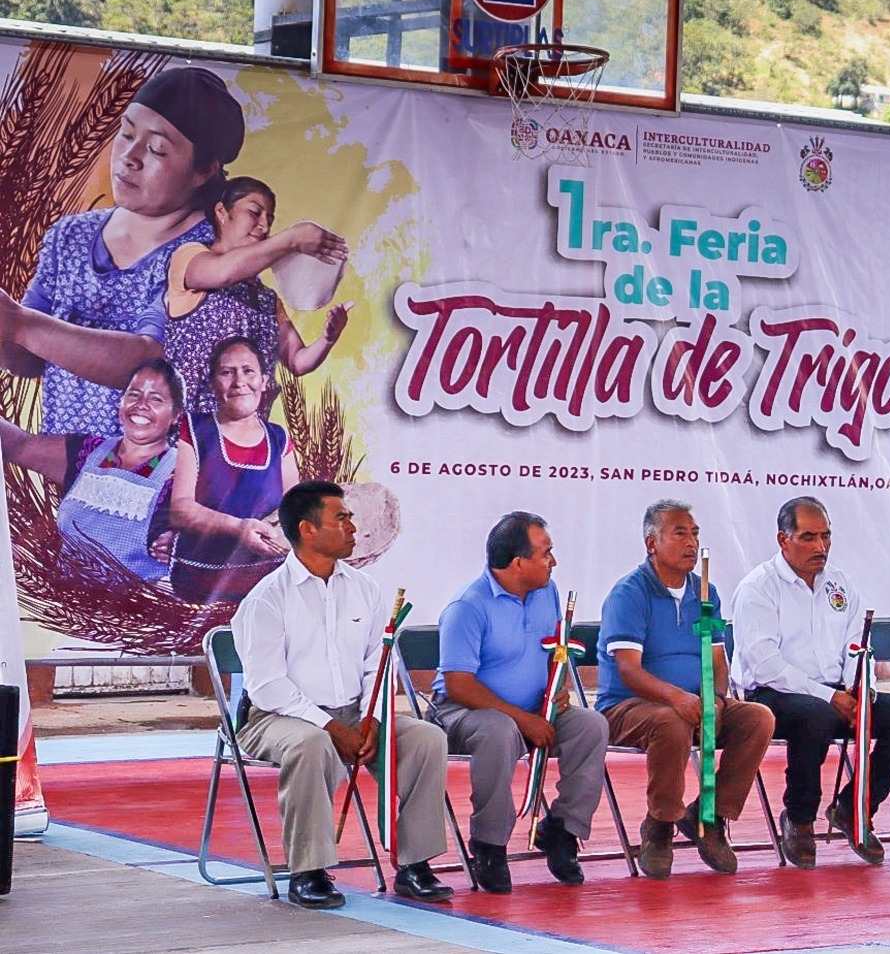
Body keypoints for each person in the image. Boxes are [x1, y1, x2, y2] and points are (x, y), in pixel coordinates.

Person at [231, 480, 451, 909]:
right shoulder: (267, 598)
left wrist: (371, 719)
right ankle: (308, 871)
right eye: (342, 518)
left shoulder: (364, 589)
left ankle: (415, 864)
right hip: (275, 718)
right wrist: (332, 726)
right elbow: (268, 686)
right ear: (308, 530)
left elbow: (377, 664)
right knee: (312, 743)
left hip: (354, 713)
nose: (353, 527)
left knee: (426, 739)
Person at [0, 67, 244, 434]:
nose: (129, 156)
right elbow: (31, 358)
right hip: (70, 478)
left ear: (204, 170)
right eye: (126, 133)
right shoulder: (71, 235)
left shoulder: (215, 257)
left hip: (167, 485)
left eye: (157, 148)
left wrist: (19, 324)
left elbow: (153, 363)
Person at [731, 496, 890, 868]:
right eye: (808, 537)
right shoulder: (759, 587)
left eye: (826, 536)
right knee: (815, 716)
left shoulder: (840, 584)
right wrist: (828, 696)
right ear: (783, 540)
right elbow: (766, 664)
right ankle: (800, 818)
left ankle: (854, 807)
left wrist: (860, 691)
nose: (820, 547)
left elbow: (858, 647)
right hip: (772, 695)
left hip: (833, 692)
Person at [596, 499, 775, 878]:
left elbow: (716, 660)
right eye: (679, 533)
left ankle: (710, 816)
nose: (691, 542)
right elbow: (629, 670)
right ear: (651, 544)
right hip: (630, 707)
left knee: (757, 718)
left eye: (695, 533)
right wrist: (679, 698)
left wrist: (719, 698)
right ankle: (659, 824)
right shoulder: (630, 593)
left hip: (695, 703)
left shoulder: (705, 593)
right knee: (670, 721)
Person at [431, 512, 610, 889]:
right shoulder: (468, 606)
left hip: (534, 708)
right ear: (517, 564)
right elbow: (459, 684)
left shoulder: (548, 591)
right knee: (499, 731)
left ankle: (562, 829)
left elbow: (551, 651)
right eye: (546, 553)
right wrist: (521, 719)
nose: (554, 562)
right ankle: (489, 844)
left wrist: (557, 688)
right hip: (467, 711)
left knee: (591, 725)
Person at [165, 175, 350, 417]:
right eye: (255, 213)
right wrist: (292, 238)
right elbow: (224, 272)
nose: (264, 226)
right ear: (222, 212)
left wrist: (328, 338)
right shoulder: (189, 256)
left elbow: (296, 361)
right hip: (190, 433)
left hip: (246, 438)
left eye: (269, 219)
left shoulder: (266, 299)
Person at [0, 360, 183, 581]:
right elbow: (20, 445)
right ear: (121, 401)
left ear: (176, 415)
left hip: (130, 611)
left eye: (156, 399)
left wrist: (185, 544)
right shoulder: (86, 453)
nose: (141, 404)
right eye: (133, 394)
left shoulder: (183, 474)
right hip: (63, 603)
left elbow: (216, 543)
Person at [169, 337, 299, 603]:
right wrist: (239, 528)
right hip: (198, 588)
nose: (239, 381)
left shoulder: (280, 440)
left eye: (248, 371)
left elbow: (295, 511)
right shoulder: (194, 429)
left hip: (266, 589)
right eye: (227, 372)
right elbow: (180, 510)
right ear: (213, 384)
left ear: (264, 381)